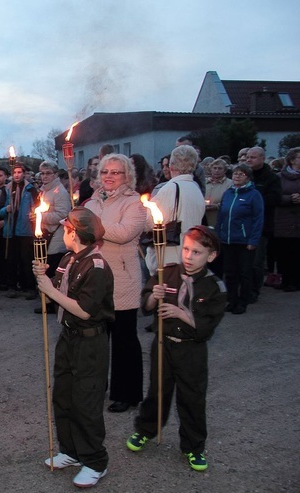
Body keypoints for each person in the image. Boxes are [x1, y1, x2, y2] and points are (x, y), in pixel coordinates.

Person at [127, 226, 227, 472]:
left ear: (210, 256)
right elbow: (146, 305)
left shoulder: (215, 287)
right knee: (157, 391)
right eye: (186, 249)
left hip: (191, 351)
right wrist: (154, 296)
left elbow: (207, 327)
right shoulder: (167, 272)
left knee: (192, 398)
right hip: (163, 344)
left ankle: (194, 446)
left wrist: (183, 314)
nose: (189, 257)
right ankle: (146, 430)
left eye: (197, 252)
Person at [32, 207, 114, 489]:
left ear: (74, 233)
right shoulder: (68, 259)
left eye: (65, 228)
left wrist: (50, 290)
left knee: (86, 402)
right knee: (64, 396)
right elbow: (56, 291)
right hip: (68, 339)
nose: (62, 232)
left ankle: (94, 461)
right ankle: (71, 450)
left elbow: (85, 311)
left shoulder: (97, 266)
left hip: (90, 342)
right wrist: (43, 276)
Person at [84, 154, 147, 413]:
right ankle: (99, 386)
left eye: (116, 172)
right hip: (95, 276)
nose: (109, 176)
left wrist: (90, 224)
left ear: (127, 176)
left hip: (122, 278)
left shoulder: (134, 204)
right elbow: (82, 235)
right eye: (105, 171)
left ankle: (127, 392)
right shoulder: (92, 201)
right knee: (96, 338)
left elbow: (123, 234)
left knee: (124, 339)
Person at [145, 145, 205, 277]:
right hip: (192, 251)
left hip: (172, 253)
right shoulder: (196, 188)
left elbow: (150, 221)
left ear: (172, 166)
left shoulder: (171, 188)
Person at [215, 164, 264, 314]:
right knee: (230, 272)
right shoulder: (228, 193)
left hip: (244, 241)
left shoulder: (254, 195)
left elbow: (258, 219)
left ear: (248, 178)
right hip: (228, 240)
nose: (236, 176)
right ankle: (232, 299)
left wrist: (253, 240)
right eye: (235, 174)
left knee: (244, 272)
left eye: (241, 174)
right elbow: (221, 216)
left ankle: (243, 301)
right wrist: (218, 234)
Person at [33, 160, 71, 313]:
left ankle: (52, 302)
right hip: (47, 233)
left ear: (55, 174)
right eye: (42, 173)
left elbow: (63, 214)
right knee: (45, 267)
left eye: (48, 173)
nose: (45, 176)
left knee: (52, 269)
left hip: (56, 235)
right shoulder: (45, 190)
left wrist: (41, 216)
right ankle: (47, 299)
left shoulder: (59, 191)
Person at [244, 146, 281, 303]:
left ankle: (253, 291)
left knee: (256, 262)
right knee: (242, 262)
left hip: (261, 227)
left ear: (261, 159)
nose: (248, 160)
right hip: (242, 226)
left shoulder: (271, 178)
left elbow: (275, 199)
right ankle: (242, 290)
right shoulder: (244, 176)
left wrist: (253, 202)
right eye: (247, 157)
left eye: (252, 157)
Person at [1, 163, 40, 299]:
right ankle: (12, 286)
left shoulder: (30, 189)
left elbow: (38, 207)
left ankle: (28, 286)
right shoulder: (6, 189)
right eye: (15, 172)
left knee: (26, 259)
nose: (17, 175)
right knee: (11, 260)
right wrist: (5, 210)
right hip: (10, 229)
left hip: (25, 229)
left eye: (19, 172)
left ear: (24, 173)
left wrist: (34, 214)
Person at [275, 147, 300, 291]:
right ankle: (286, 280)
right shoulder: (279, 177)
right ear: (292, 160)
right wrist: (289, 198)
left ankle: (297, 280)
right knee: (285, 252)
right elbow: (275, 196)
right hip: (283, 220)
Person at [204, 158, 233, 228]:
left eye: (220, 168)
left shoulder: (230, 184)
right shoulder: (204, 182)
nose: (217, 170)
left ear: (225, 170)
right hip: (203, 217)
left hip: (219, 218)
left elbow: (230, 201)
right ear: (211, 169)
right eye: (214, 168)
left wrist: (217, 206)